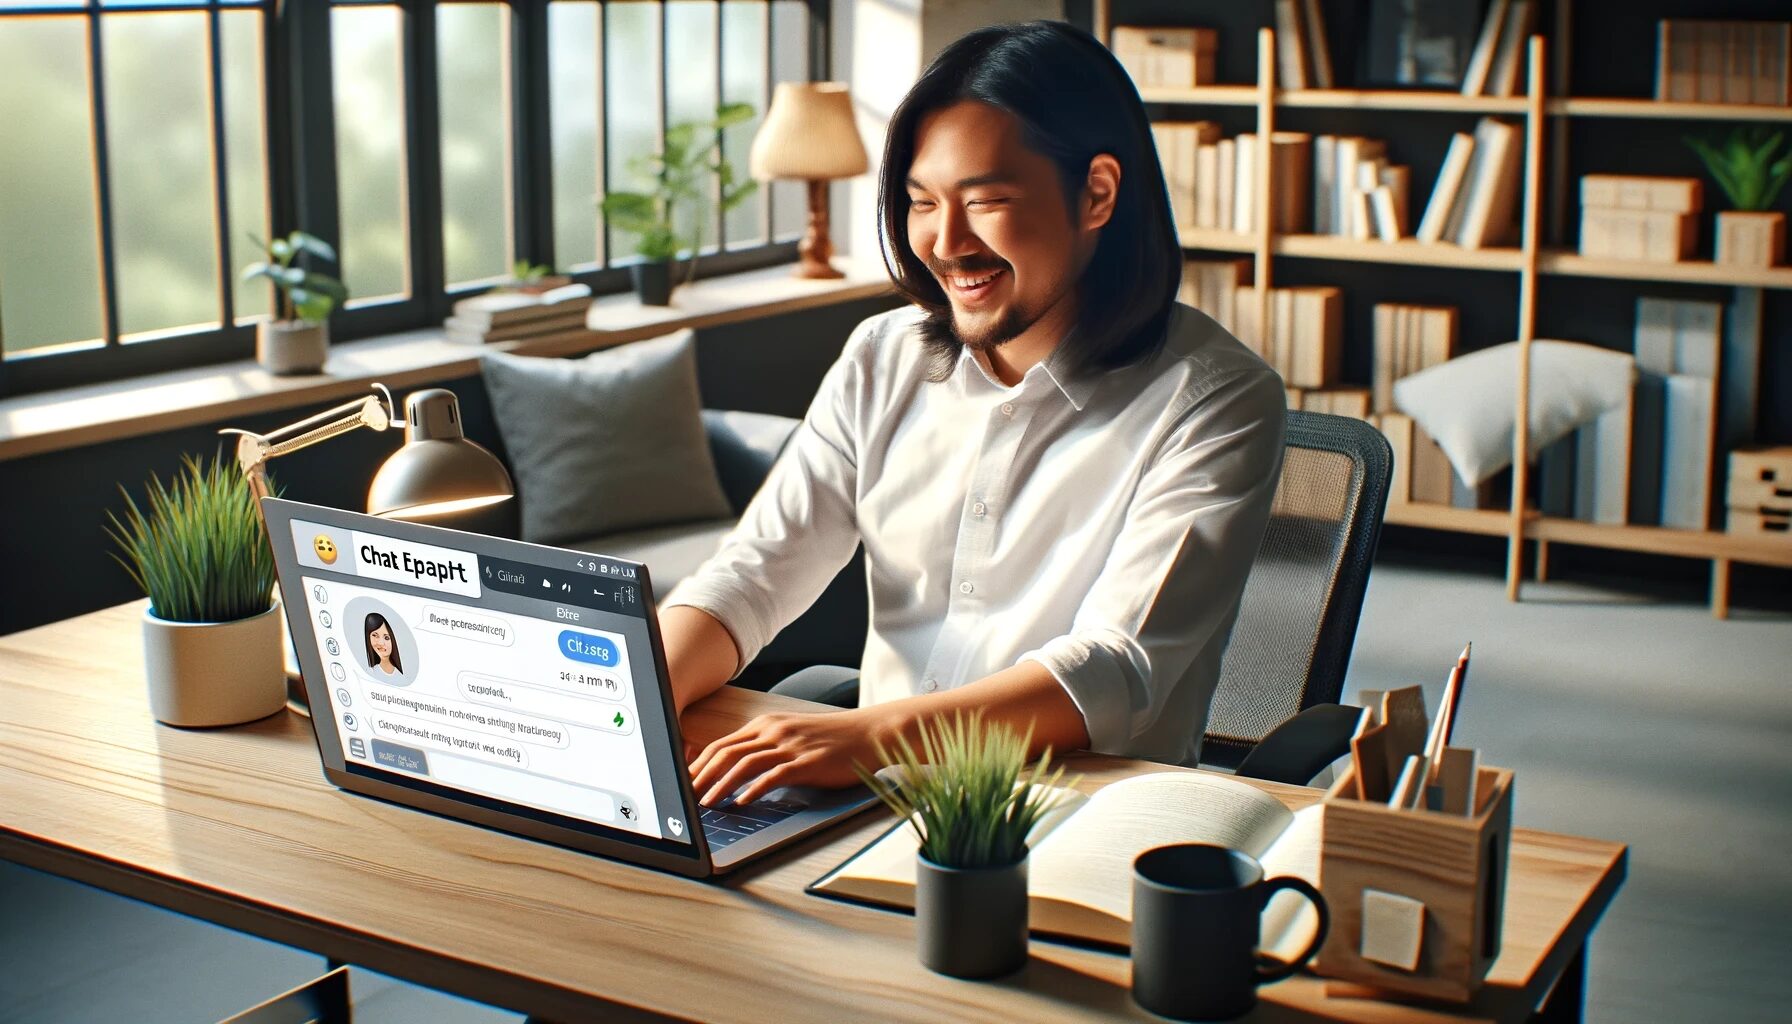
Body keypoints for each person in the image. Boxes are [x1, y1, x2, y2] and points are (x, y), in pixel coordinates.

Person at [660, 21, 1285, 806]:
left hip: (1070, 815)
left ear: (1097, 193)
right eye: (923, 202)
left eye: (985, 201)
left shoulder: (1217, 399)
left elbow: (1117, 667)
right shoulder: (881, 356)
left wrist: (865, 736)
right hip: (869, 802)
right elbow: (758, 569)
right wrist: (633, 695)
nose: (946, 242)